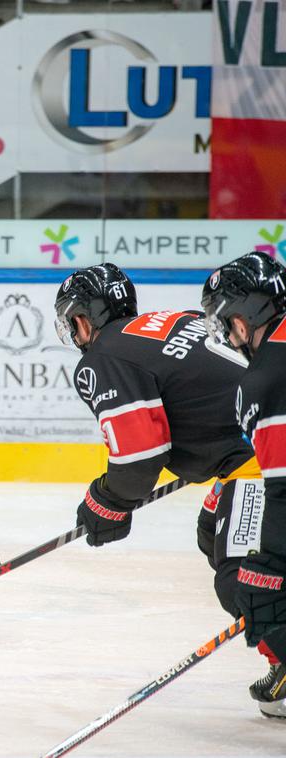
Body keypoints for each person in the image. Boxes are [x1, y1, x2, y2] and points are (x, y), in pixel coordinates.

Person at [55, 262, 277, 716]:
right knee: (213, 527)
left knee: (245, 574)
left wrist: (108, 501)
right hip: (257, 448)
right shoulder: (169, 321)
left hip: (264, 457)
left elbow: (139, 457)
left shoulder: (104, 356)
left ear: (81, 319)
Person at [201, 251, 286, 719]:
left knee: (257, 589)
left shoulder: (268, 375)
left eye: (227, 322)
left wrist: (269, 568)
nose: (229, 337)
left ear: (245, 315)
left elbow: (285, 487)